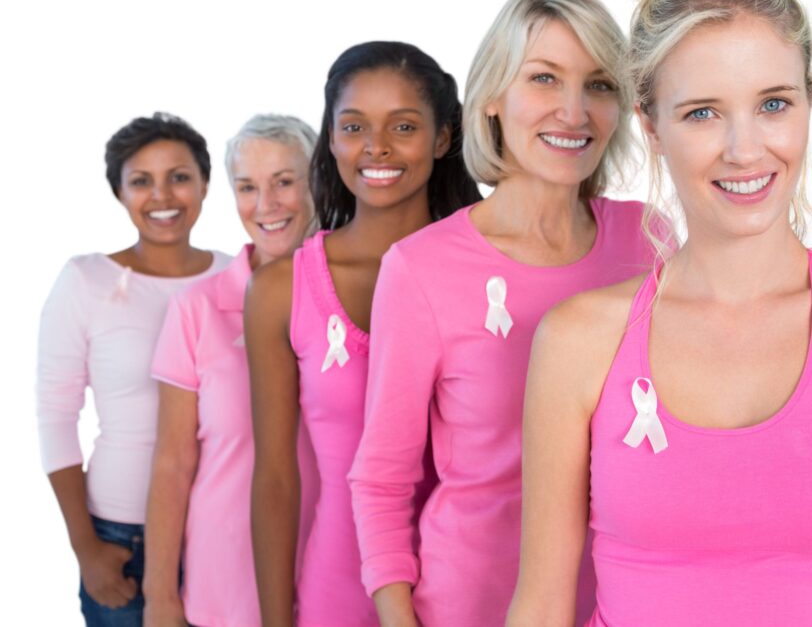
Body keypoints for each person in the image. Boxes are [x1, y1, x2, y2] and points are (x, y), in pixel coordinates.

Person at [507, 0, 812, 627]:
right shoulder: (580, 339)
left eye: (774, 103)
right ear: (652, 127)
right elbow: (541, 606)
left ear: (810, 99)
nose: (744, 150)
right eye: (702, 113)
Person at [348, 0, 664, 627]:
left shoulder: (649, 242)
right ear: (492, 97)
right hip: (472, 606)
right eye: (544, 78)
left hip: (625, 603)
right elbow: (381, 479)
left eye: (599, 85)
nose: (573, 112)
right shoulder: (421, 268)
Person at [246, 41, 481, 627]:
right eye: (354, 126)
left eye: (403, 125)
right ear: (330, 137)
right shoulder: (282, 290)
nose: (376, 147)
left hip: (475, 591)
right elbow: (276, 478)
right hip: (338, 594)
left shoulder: (489, 275)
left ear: (444, 138)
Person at [36, 113, 231, 627]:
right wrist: (86, 549)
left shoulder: (241, 277)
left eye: (179, 176)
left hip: (220, 531)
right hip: (122, 536)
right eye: (141, 181)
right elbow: (56, 417)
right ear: (119, 192)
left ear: (206, 184)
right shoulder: (86, 281)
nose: (162, 195)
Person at [143, 114, 319, 627]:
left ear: (319, 182)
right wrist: (160, 597)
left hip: (335, 580)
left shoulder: (360, 295)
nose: (266, 205)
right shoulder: (196, 309)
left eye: (284, 182)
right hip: (225, 590)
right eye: (247, 187)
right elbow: (173, 462)